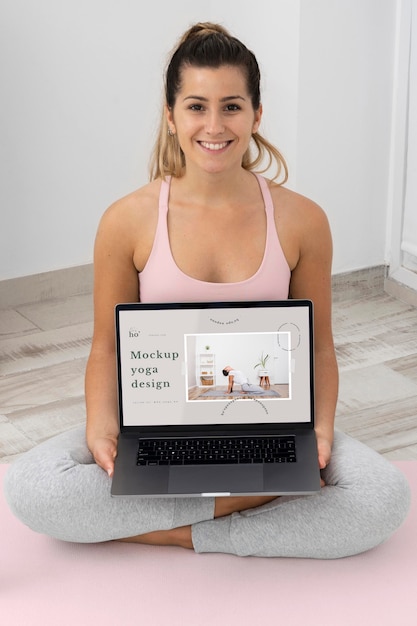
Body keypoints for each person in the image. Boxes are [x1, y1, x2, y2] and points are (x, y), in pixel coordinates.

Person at [4, 22, 410, 558]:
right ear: (171, 116)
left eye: (232, 106)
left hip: (266, 423)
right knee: (33, 488)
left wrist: (321, 432)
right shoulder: (126, 220)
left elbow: (320, 346)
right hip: (155, 422)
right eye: (196, 106)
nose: (214, 125)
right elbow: (106, 346)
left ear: (257, 114)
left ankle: (170, 531)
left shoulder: (303, 220)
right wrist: (103, 429)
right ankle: (243, 512)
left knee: (384, 498)